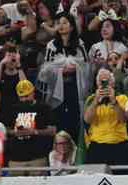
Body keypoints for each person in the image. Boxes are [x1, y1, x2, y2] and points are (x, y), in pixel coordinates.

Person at [40, 12, 90, 142]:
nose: (60, 26)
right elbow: (45, 70)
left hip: (75, 86)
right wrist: (60, 70)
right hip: (57, 88)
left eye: (64, 22)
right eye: (58, 23)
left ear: (72, 26)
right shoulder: (52, 45)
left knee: (75, 118)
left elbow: (87, 66)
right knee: (60, 119)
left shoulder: (79, 43)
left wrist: (77, 68)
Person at [6, 80, 57, 174]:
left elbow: (53, 130)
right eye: (21, 97)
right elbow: (7, 129)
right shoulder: (12, 108)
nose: (24, 99)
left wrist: (34, 132)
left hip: (37, 157)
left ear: (33, 92)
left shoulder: (44, 108)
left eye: (26, 96)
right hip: (16, 159)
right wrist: (15, 132)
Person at [84, 68, 128, 165]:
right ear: (97, 84)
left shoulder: (122, 98)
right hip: (97, 146)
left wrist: (114, 101)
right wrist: (96, 101)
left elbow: (123, 120)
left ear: (113, 83)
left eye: (107, 81)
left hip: (119, 145)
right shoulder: (91, 99)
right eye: (102, 82)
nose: (104, 84)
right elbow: (87, 120)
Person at [0, 43, 27, 124]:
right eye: (9, 56)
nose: (11, 60)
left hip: (19, 110)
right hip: (2, 109)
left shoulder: (22, 72)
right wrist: (1, 64)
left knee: (23, 134)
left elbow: (25, 90)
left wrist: (19, 65)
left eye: (14, 56)